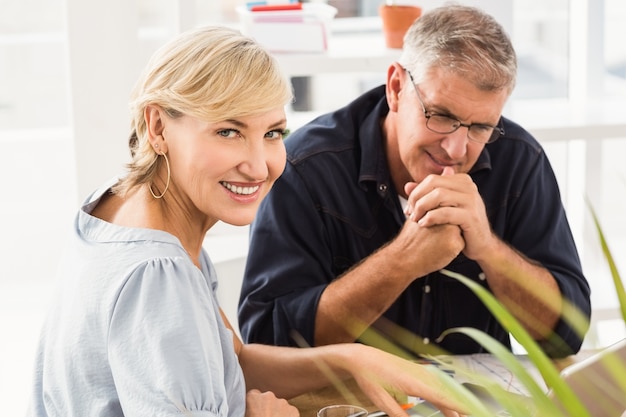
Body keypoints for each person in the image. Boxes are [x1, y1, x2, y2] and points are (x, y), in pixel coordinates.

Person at [26, 26, 468, 417]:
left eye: (273, 133)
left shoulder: (122, 206)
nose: (259, 167)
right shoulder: (157, 276)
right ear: (158, 127)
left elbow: (231, 360)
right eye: (228, 131)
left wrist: (354, 359)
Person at [238, 4, 592, 359]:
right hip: (351, 407)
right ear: (395, 87)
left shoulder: (518, 160)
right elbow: (269, 344)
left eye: (481, 127)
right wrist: (403, 259)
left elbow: (568, 334)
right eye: (440, 115)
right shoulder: (304, 168)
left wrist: (487, 248)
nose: (456, 149)